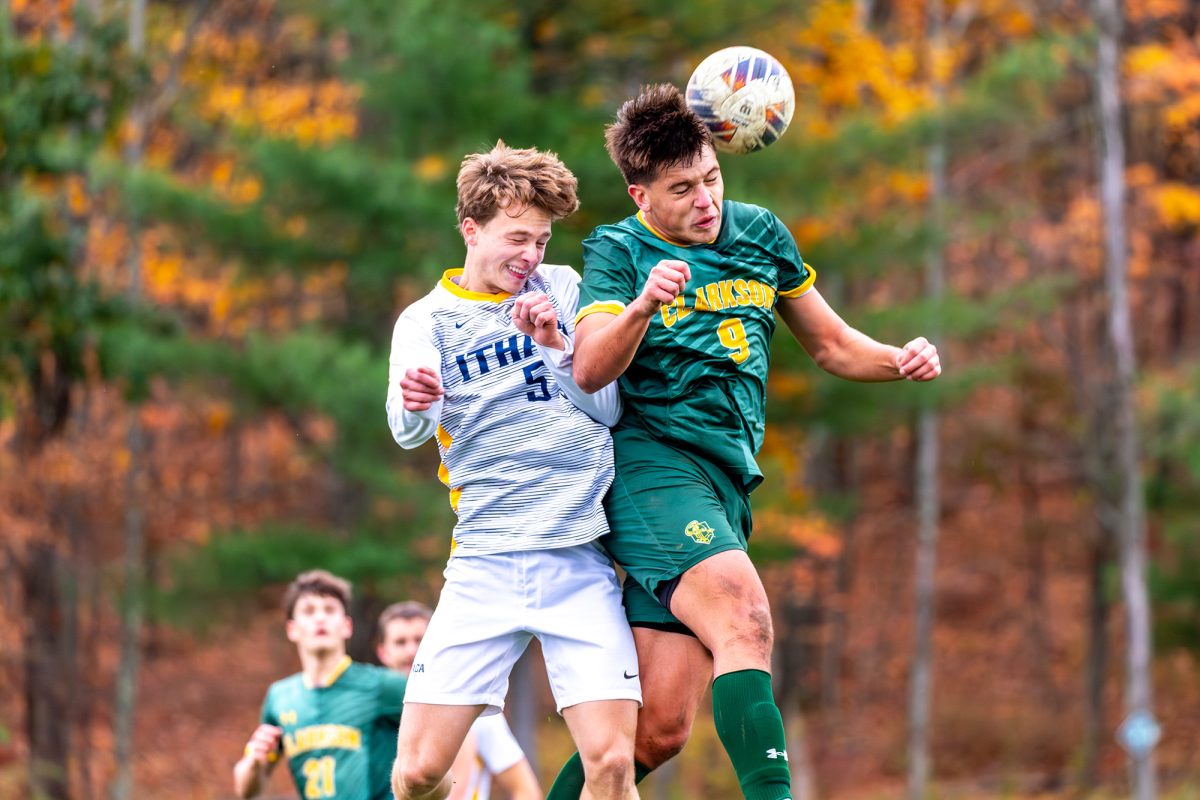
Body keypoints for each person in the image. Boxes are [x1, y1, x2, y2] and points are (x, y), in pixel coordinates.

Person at [546, 84, 943, 800]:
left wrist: (899, 359)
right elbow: (588, 365)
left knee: (660, 729)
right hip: (652, 471)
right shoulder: (618, 248)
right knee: (744, 617)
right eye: (682, 189)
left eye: (712, 178)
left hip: (727, 484)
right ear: (641, 197)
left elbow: (832, 345)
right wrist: (642, 305)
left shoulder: (761, 234)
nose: (706, 200)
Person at [386, 141, 641, 800]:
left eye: (543, 240)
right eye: (517, 238)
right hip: (484, 565)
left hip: (578, 560)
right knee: (415, 773)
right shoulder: (426, 322)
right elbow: (408, 427)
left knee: (612, 764)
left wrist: (557, 344)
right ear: (470, 229)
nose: (531, 255)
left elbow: (609, 407)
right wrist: (420, 401)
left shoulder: (562, 289)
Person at [233, 570, 407, 800]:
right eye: (309, 610)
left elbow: (442, 725)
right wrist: (254, 761)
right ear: (292, 629)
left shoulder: (383, 685)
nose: (320, 618)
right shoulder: (280, 697)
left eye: (329, 609)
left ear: (347, 626)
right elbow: (246, 791)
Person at [377, 601, 542, 800]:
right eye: (400, 642)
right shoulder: (368, 713)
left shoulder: (476, 710)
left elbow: (525, 791)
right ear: (383, 652)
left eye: (420, 640)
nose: (412, 651)